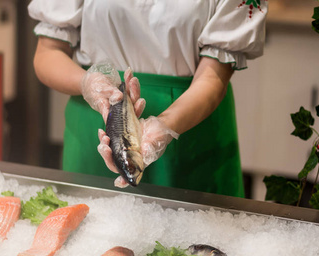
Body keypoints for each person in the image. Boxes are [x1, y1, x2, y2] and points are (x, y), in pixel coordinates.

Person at [28, 1, 267, 197]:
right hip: (95, 121)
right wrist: (88, 83)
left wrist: (166, 125)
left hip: (189, 126)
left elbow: (214, 76)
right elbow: (48, 53)